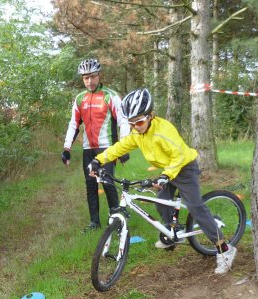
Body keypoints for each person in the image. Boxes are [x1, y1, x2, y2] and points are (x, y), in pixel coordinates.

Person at [87, 88, 236, 274]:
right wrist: (98, 160)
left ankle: (224, 250)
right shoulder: (138, 133)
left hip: (184, 167)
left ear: (150, 115)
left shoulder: (163, 131)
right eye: (131, 123)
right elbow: (120, 147)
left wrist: (166, 176)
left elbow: (179, 156)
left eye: (139, 121)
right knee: (161, 202)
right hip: (168, 169)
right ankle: (174, 232)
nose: (136, 126)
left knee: (195, 207)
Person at [62, 58, 130, 233]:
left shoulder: (110, 95)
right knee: (91, 185)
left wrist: (123, 147)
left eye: (92, 77)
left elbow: (123, 121)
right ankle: (94, 222)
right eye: (85, 78)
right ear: (82, 79)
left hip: (107, 147)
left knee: (107, 183)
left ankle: (116, 221)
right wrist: (66, 148)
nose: (89, 81)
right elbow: (73, 125)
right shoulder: (79, 99)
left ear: (99, 75)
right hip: (88, 149)